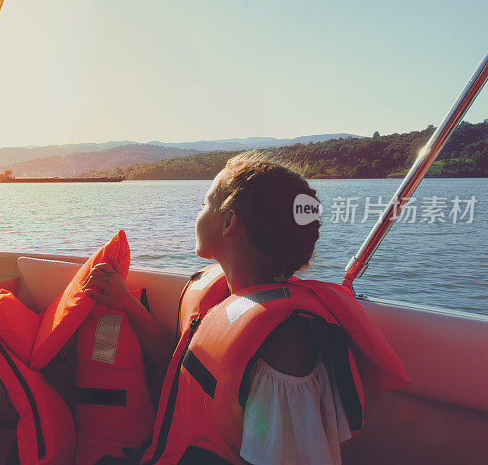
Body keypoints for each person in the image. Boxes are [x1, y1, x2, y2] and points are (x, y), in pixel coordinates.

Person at [82, 152, 351, 464]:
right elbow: (186, 366)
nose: (198, 214)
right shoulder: (229, 298)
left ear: (229, 222)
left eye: (204, 204)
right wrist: (128, 305)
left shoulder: (284, 343)